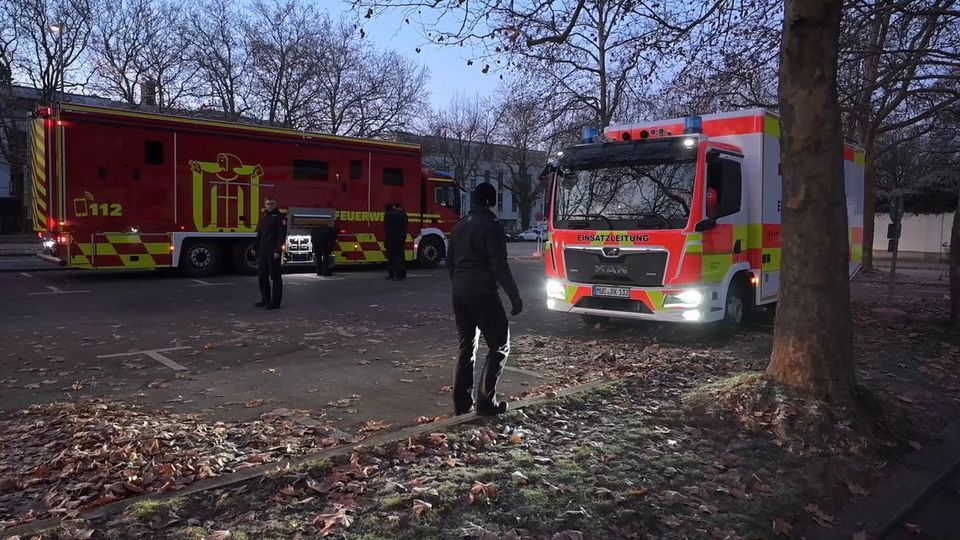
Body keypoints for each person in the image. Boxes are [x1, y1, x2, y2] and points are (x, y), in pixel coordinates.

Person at [446, 182, 523, 416]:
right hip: (482, 292)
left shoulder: (459, 226)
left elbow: (450, 262)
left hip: (460, 292)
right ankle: (486, 401)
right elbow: (499, 265)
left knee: (466, 348)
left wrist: (459, 284)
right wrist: (514, 296)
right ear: (491, 201)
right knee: (500, 345)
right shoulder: (492, 226)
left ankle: (462, 404)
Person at [253, 196, 285, 309]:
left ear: (275, 204)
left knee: (275, 276)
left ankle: (275, 302)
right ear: (265, 205)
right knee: (262, 275)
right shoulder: (264, 216)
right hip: (263, 250)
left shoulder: (279, 217)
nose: (270, 205)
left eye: (272, 203)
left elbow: (282, 235)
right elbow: (260, 232)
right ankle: (265, 299)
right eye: (268, 203)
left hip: (273, 250)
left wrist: (278, 250)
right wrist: (254, 246)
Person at [384, 202, 408, 280]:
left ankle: (391, 274)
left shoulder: (388, 214)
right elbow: (405, 226)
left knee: (391, 256)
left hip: (391, 238)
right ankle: (400, 275)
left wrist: (388, 236)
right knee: (400, 256)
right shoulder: (403, 215)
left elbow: (385, 227)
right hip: (400, 238)